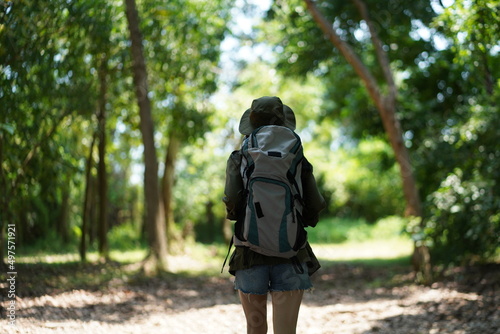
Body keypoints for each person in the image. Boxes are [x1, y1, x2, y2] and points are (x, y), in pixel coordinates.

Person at [223, 96, 326, 334]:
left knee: (255, 329)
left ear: (251, 122)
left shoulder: (240, 156)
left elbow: (232, 201)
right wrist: (302, 221)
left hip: (249, 253)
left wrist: (243, 215)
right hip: (291, 252)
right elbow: (315, 203)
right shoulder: (296, 155)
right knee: (286, 331)